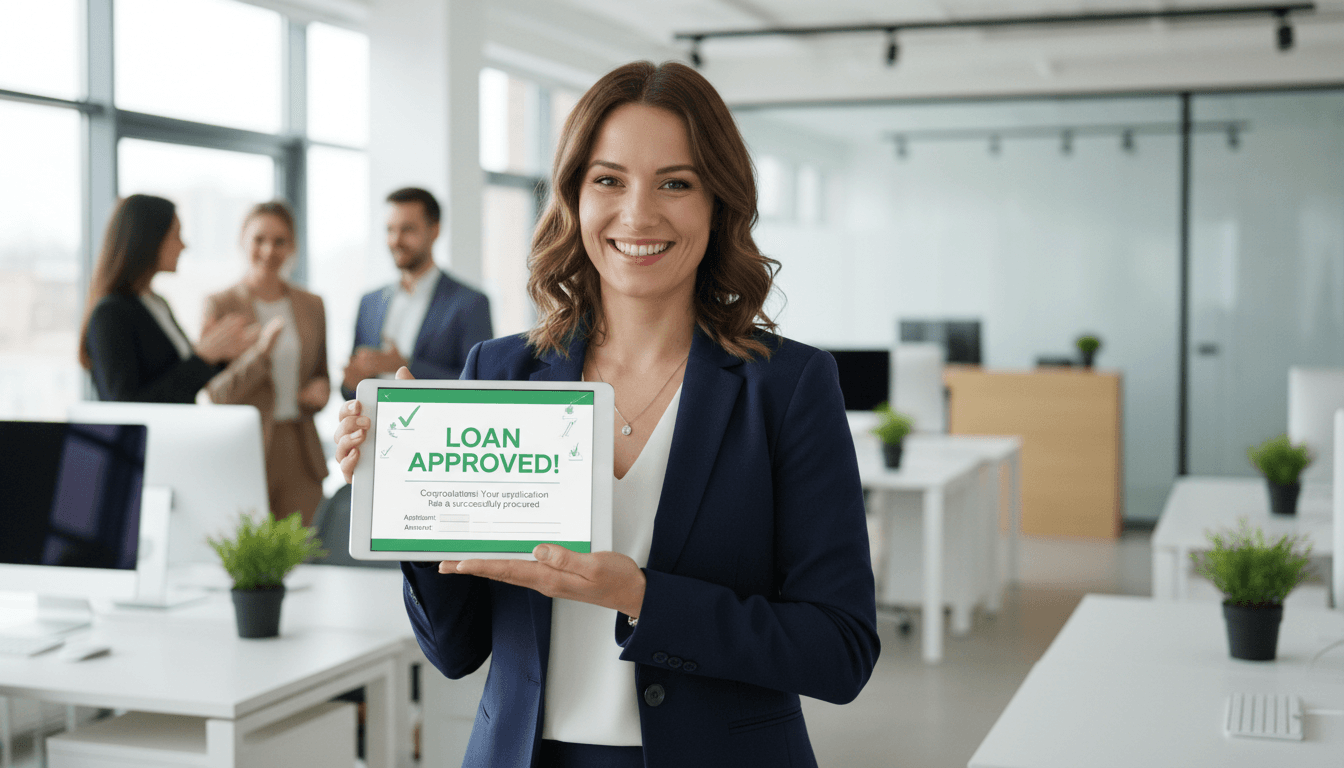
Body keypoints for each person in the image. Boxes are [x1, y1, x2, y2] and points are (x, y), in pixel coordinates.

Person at [334, 62, 879, 767]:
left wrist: (642, 596)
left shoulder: (788, 386)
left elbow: (839, 650)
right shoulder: (499, 374)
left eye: (675, 183)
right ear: (574, 197)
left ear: (719, 202)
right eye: (609, 180)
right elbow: (455, 650)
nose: (638, 214)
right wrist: (403, 495)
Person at [203, 201, 331, 525]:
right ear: (242, 241)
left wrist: (321, 391)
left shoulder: (312, 304)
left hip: (301, 448)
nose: (269, 250)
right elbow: (215, 395)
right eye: (259, 239)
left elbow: (321, 374)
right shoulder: (220, 304)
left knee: (301, 559)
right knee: (250, 563)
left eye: (280, 241)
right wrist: (260, 353)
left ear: (293, 246)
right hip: (247, 449)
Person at [81, 194, 256, 403]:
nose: (184, 246)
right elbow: (124, 404)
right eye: (176, 235)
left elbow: (180, 380)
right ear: (148, 239)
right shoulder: (111, 313)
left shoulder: (156, 303)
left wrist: (219, 355)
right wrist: (202, 357)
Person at [340, 187, 493, 399]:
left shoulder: (470, 303)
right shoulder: (369, 302)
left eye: (407, 230)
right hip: (376, 427)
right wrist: (349, 383)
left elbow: (480, 385)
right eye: (390, 230)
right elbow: (352, 390)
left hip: (438, 427)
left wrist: (405, 366)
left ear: (435, 231)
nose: (395, 240)